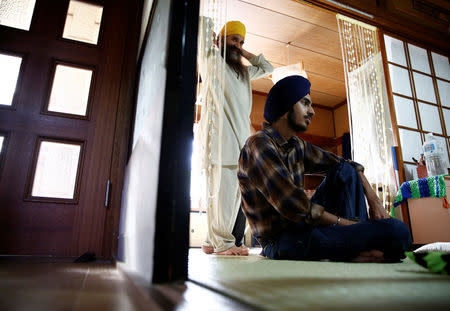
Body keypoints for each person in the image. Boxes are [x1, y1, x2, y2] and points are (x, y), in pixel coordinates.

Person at [238, 75, 411, 262]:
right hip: (281, 240)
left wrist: (374, 201)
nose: (312, 111)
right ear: (285, 107)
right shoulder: (259, 144)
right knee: (397, 232)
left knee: (346, 170)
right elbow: (294, 206)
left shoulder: (297, 145)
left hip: (308, 229)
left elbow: (347, 164)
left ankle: (355, 247)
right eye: (305, 103)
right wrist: (349, 226)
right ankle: (358, 244)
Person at [197, 19, 274, 255]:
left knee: (228, 195)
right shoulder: (212, 62)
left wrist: (242, 51)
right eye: (234, 39)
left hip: (239, 142)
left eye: (241, 41)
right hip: (220, 139)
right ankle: (223, 244)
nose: (238, 45)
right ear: (221, 39)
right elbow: (199, 28)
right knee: (221, 194)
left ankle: (212, 241)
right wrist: (214, 35)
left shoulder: (243, 73)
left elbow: (267, 67)